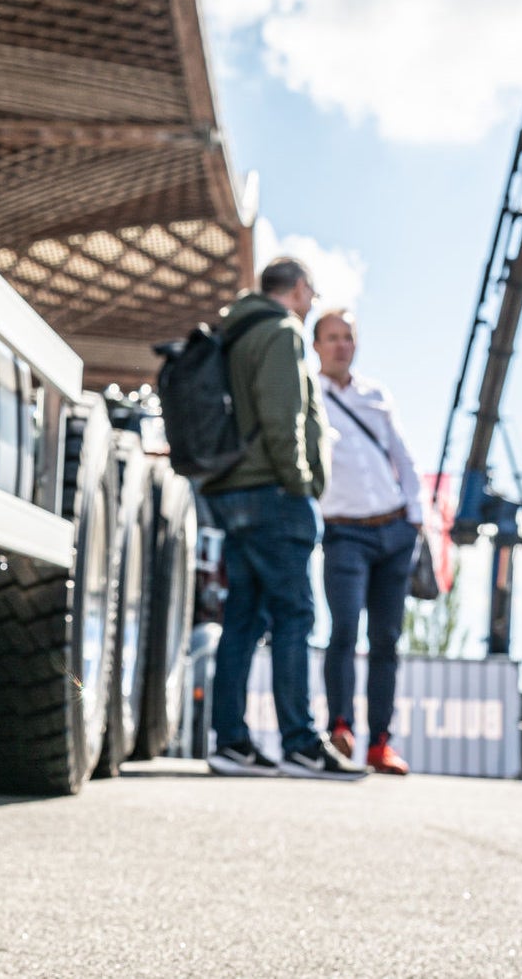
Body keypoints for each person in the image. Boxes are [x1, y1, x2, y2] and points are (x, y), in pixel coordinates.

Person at [202, 258, 366, 780]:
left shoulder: (236, 331)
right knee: (295, 617)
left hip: (233, 491)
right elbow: (282, 418)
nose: (312, 301)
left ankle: (231, 742)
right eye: (311, 293)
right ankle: (299, 741)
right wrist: (299, 485)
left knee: (244, 620)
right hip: (273, 494)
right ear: (296, 290)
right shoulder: (279, 332)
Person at [313, 309, 422, 776]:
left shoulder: (376, 394)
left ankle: (380, 742)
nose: (341, 345)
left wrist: (414, 520)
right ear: (316, 345)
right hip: (344, 532)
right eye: (332, 338)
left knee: (387, 641)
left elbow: (404, 458)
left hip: (394, 531)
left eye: (348, 338)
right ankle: (341, 727)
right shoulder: (307, 393)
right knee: (342, 633)